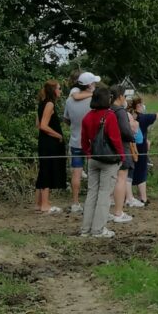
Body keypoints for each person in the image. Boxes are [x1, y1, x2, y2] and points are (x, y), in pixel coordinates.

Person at [79, 85, 122, 238]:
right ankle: (98, 230)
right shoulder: (109, 116)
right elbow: (115, 139)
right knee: (104, 194)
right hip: (109, 160)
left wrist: (88, 154)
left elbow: (84, 141)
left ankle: (86, 229)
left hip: (93, 159)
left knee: (92, 193)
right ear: (107, 99)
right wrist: (121, 156)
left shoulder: (87, 117)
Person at [64, 71, 99, 214]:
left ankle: (75, 202)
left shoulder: (69, 100)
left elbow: (66, 119)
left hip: (75, 141)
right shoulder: (94, 101)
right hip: (92, 142)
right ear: (89, 85)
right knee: (93, 173)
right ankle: (91, 202)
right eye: (94, 83)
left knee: (76, 173)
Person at [34, 80, 67, 214]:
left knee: (43, 170)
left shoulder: (42, 103)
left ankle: (39, 203)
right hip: (49, 143)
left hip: (44, 142)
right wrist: (58, 135)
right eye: (59, 88)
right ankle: (45, 205)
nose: (60, 91)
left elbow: (37, 123)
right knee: (47, 170)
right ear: (53, 90)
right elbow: (42, 125)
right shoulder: (49, 104)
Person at [108, 86, 137, 224]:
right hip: (121, 149)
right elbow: (126, 131)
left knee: (109, 181)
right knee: (121, 179)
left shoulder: (107, 109)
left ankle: (106, 211)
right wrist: (133, 137)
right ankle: (118, 212)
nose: (125, 99)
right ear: (120, 97)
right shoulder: (120, 111)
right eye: (124, 96)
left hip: (108, 150)